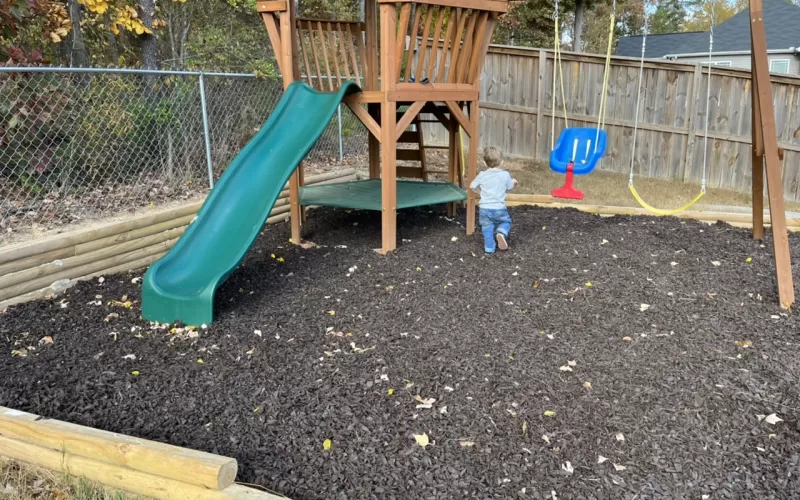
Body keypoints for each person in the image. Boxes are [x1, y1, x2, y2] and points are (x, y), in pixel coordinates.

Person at [469, 147, 518, 255]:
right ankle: (501, 232)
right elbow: (509, 187)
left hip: (484, 209)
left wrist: (480, 192)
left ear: (484, 162)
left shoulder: (482, 175)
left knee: (487, 229)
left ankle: (489, 250)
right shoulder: (505, 175)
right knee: (506, 222)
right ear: (502, 162)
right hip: (499, 208)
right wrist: (513, 182)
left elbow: (472, 186)